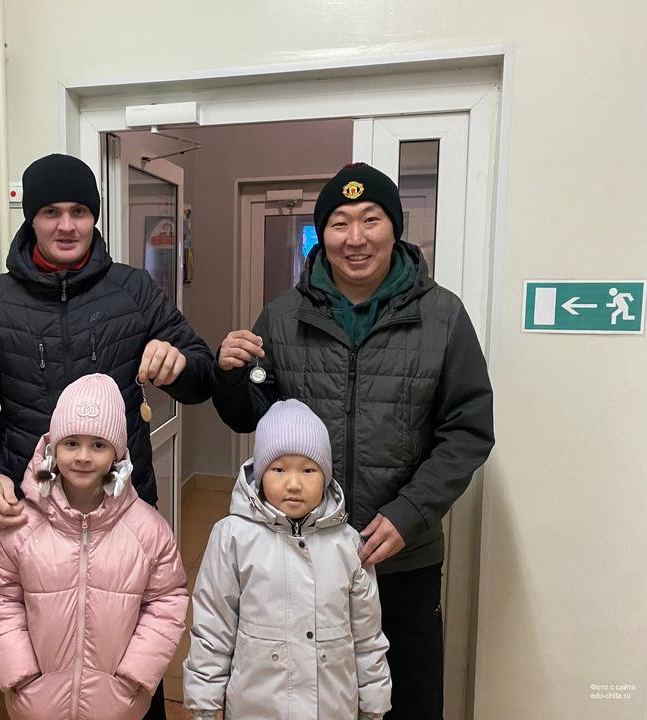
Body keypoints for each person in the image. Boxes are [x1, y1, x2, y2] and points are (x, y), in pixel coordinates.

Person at [211, 163, 494, 719]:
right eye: (340, 223)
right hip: (302, 555)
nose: (356, 238)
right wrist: (229, 377)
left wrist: (409, 513)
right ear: (323, 234)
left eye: (371, 219)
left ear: (395, 228)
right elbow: (253, 420)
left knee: (408, 699)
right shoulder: (283, 316)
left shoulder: (442, 315)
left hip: (402, 555)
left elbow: (468, 429)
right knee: (311, 699)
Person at [0, 152, 211, 718]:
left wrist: (180, 364)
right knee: (43, 672)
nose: (66, 225)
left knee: (131, 669)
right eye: (51, 212)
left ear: (94, 217)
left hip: (123, 514)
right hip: (32, 522)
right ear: (31, 219)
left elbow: (201, 371)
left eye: (80, 211)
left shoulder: (134, 290)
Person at [0, 374, 188, 720]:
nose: (83, 457)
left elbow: (167, 602)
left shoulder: (148, 530)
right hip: (37, 704)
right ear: (52, 448)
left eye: (98, 445)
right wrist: (21, 675)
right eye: (71, 443)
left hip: (118, 704)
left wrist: (134, 676)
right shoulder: (20, 526)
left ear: (117, 454)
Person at [184, 399, 391, 720]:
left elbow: (367, 634)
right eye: (279, 469)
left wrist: (373, 703)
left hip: (333, 708)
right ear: (260, 473)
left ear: (325, 476)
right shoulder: (232, 537)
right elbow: (213, 627)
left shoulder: (348, 543)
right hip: (256, 709)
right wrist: (205, 704)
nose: (294, 484)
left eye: (308, 470)